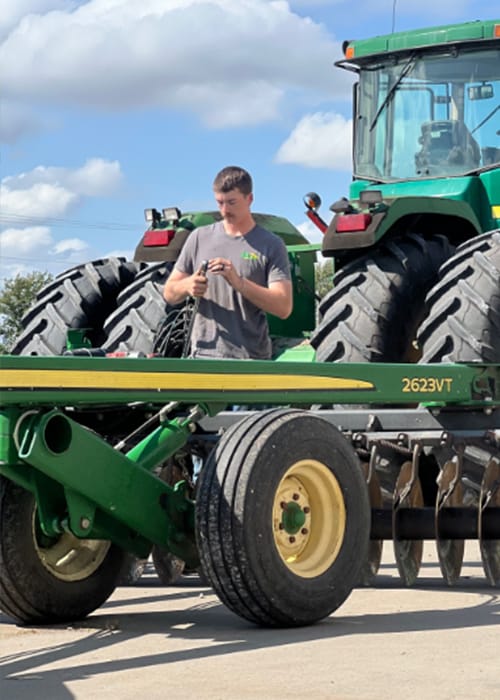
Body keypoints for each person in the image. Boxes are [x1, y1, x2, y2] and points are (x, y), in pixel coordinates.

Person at [163, 166, 293, 360]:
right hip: (203, 356)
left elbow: (283, 307)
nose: (225, 211)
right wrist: (188, 286)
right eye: (220, 203)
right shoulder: (199, 238)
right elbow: (169, 293)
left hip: (251, 359)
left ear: (249, 199)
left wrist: (238, 282)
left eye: (232, 202)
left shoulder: (271, 245)